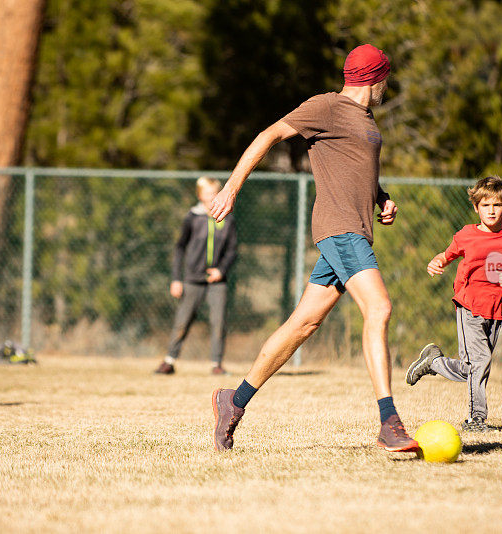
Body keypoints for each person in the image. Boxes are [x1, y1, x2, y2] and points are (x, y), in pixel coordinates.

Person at [209, 44, 420, 453]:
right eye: (386, 80)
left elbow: (354, 168)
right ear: (377, 78)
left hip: (354, 229)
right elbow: (269, 134)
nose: (386, 87)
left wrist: (381, 198)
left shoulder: (365, 118)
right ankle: (389, 423)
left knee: (302, 325)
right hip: (340, 231)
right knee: (379, 308)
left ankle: (231, 403)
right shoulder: (325, 106)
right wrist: (232, 187)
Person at [405, 176, 502, 432]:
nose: (491, 210)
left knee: (473, 369)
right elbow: (446, 255)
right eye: (485, 205)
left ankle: (433, 363)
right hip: (469, 305)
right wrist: (436, 262)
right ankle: (476, 420)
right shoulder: (466, 234)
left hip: (496, 310)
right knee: (480, 363)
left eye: (496, 205)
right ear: (476, 207)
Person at [154, 176, 238, 376]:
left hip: (217, 282)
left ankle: (216, 364)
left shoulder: (227, 218)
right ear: (200, 196)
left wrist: (221, 270)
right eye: (207, 194)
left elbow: (232, 251)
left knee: (218, 322)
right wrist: (176, 279)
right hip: (192, 279)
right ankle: (169, 361)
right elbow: (180, 248)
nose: (211, 198)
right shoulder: (192, 217)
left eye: (214, 194)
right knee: (182, 321)